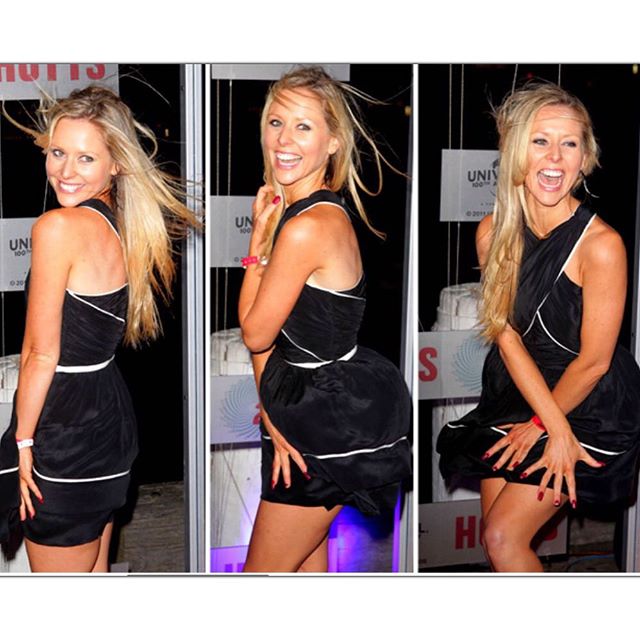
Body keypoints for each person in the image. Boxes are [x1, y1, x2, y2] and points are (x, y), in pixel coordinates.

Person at [437, 81, 640, 572]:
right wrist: (539, 421)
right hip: (517, 389)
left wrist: (548, 425)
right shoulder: (492, 232)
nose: (554, 158)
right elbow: (506, 335)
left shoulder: (602, 245)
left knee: (504, 537)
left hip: (587, 401)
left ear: (585, 158)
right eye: (540, 140)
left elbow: (594, 362)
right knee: (494, 543)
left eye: (569, 144)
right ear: (514, 150)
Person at [0, 85, 198, 572]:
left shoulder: (58, 228)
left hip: (63, 426)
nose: (65, 171)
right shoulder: (124, 225)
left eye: (85, 158)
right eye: (58, 153)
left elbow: (40, 354)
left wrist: (23, 440)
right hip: (109, 418)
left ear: (116, 164)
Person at [238, 66, 412, 572]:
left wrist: (256, 246)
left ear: (333, 142)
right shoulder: (305, 214)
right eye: (276, 123)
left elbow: (255, 333)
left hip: (322, 418)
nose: (283, 140)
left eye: (303, 126)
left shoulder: (306, 227)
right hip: (312, 406)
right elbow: (266, 337)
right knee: (307, 570)